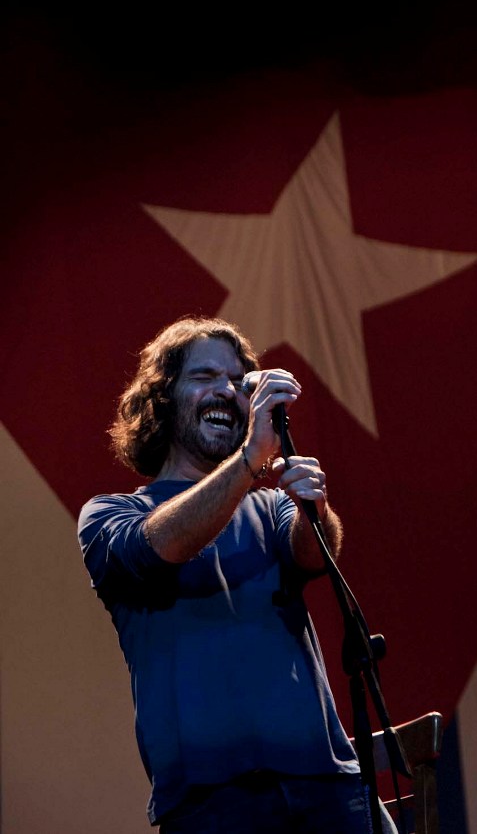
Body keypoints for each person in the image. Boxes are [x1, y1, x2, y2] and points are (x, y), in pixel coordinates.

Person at [78, 315, 396, 833]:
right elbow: (156, 548)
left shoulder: (269, 506)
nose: (226, 391)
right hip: (211, 802)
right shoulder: (110, 514)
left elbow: (315, 555)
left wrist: (313, 506)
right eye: (204, 377)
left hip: (326, 782)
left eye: (237, 381)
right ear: (163, 398)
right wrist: (249, 460)